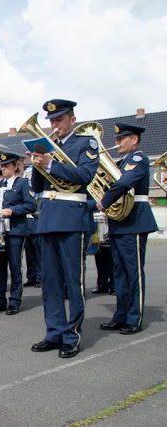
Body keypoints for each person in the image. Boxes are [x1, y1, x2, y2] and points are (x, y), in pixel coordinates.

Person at [27, 99, 98, 358]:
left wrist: (50, 164)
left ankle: (72, 335)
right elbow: (37, 187)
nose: (55, 125)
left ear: (72, 120)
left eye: (59, 120)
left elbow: (85, 176)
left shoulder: (85, 144)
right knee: (50, 282)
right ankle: (54, 332)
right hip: (47, 218)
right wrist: (36, 164)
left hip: (71, 218)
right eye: (52, 121)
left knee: (72, 280)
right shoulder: (48, 148)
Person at [97, 123, 158, 334]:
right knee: (120, 273)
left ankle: (134, 318)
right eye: (117, 139)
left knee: (133, 273)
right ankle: (120, 315)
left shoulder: (138, 159)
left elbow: (125, 183)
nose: (118, 142)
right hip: (120, 223)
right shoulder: (121, 162)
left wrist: (104, 200)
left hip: (135, 222)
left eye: (122, 138)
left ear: (135, 140)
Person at [0, 153, 36, 315]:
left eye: (7, 166)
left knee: (14, 265)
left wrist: (13, 210)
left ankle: (14, 300)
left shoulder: (22, 184)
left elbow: (31, 205)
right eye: (3, 166)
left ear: (15, 167)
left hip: (15, 230)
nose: (4, 169)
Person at [22, 165, 42, 288]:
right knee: (29, 254)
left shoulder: (39, 192)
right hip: (27, 224)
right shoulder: (25, 191)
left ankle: (39, 277)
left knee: (38, 253)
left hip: (36, 223)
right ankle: (31, 277)